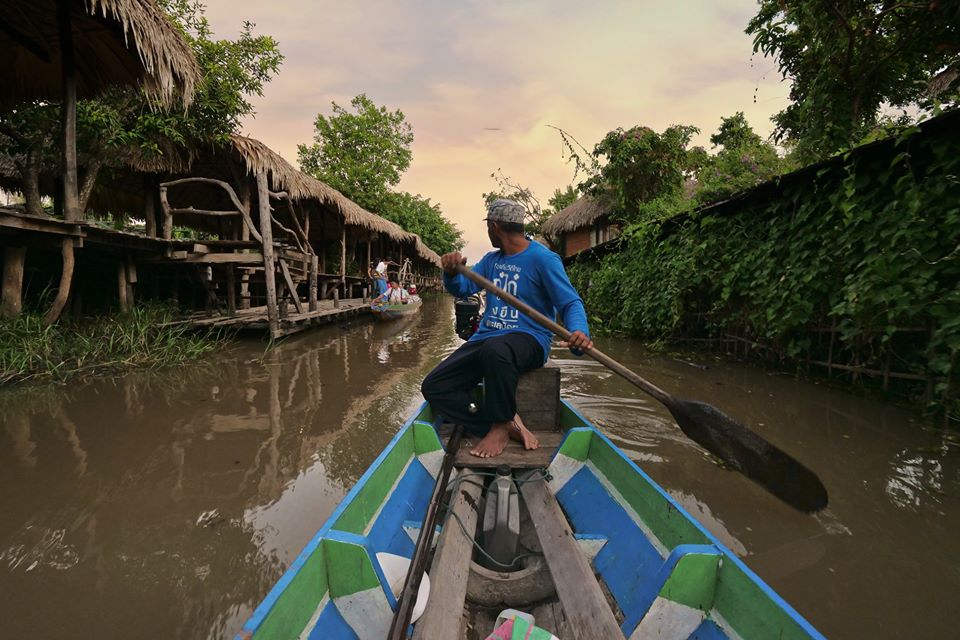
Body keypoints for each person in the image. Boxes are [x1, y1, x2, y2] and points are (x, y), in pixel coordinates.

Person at [421, 199, 592, 458]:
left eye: (488, 228)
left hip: (530, 339)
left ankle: (501, 426)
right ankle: (496, 421)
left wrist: (579, 331)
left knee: (496, 349)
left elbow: (570, 302)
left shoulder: (543, 259)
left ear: (494, 226)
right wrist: (452, 274)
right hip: (488, 338)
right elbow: (462, 289)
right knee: (434, 386)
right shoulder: (491, 261)